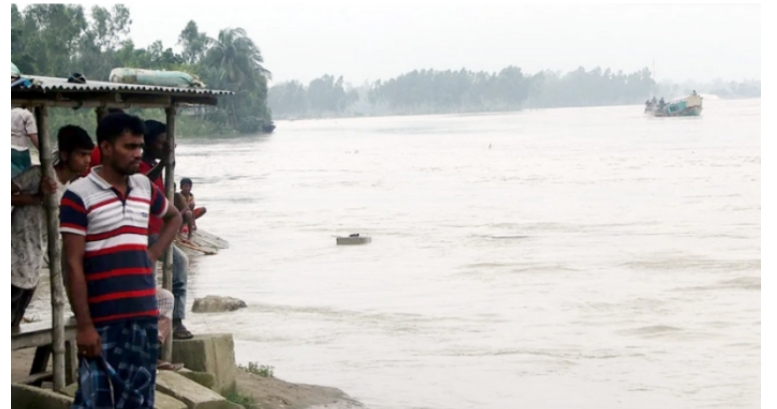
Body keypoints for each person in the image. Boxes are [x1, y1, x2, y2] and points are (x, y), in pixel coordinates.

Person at [60, 113, 182, 408]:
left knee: (139, 400)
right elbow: (72, 264)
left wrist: (151, 255)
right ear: (107, 147)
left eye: (140, 146)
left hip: (143, 315)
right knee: (95, 399)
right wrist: (85, 326)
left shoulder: (143, 187)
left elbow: (174, 217)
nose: (138, 154)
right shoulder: (79, 195)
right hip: (102, 319)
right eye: (129, 146)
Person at [11, 125, 95, 328]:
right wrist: (37, 197)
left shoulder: (73, 188)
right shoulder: (40, 175)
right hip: (13, 259)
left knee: (13, 326)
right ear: (65, 155)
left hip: (33, 265)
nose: (87, 160)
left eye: (88, 155)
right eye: (82, 154)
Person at [141, 120, 194, 340]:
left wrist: (183, 213)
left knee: (173, 268)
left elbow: (167, 194)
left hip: (158, 232)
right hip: (146, 233)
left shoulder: (157, 166)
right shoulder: (143, 167)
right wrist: (163, 162)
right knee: (155, 279)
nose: (164, 146)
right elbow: (142, 182)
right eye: (161, 142)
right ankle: (164, 324)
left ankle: (173, 321)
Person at [11, 107, 40, 178]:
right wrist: (42, 150)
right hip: (21, 151)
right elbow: (32, 135)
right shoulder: (27, 114)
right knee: (23, 178)